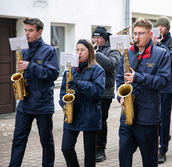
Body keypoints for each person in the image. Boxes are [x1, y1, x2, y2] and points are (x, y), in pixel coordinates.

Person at [116, 19, 171, 167]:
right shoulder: (128, 53)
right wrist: (120, 98)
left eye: (141, 33)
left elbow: (164, 81)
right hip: (127, 115)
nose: (137, 37)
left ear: (150, 34)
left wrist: (138, 78)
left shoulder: (161, 54)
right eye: (135, 33)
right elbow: (119, 79)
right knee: (124, 157)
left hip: (147, 116)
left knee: (149, 159)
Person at [9, 18, 60, 167]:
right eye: (25, 30)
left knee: (46, 140)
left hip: (42, 103)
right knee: (18, 139)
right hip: (25, 102)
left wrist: (30, 66)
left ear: (39, 32)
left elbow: (53, 74)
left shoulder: (49, 50)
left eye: (30, 30)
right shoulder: (23, 50)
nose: (27, 33)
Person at [60, 39, 105, 167]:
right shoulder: (70, 70)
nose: (79, 53)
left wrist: (80, 84)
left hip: (90, 114)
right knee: (66, 148)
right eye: (77, 50)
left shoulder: (98, 70)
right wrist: (64, 104)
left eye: (82, 50)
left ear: (89, 52)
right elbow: (63, 91)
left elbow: (97, 92)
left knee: (90, 154)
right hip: (72, 114)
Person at [92, 26, 121, 162]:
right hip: (91, 89)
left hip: (105, 91)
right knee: (92, 120)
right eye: (94, 37)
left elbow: (111, 65)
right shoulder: (93, 48)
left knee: (101, 121)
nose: (95, 40)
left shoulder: (113, 49)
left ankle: (100, 149)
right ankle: (91, 146)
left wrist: (95, 55)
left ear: (104, 38)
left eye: (98, 37)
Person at [156, 16, 172, 164]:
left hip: (166, 85)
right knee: (154, 117)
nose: (159, 28)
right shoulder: (153, 42)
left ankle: (162, 149)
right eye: (157, 26)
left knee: (164, 119)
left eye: (162, 26)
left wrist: (158, 45)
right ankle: (162, 138)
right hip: (153, 85)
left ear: (167, 28)